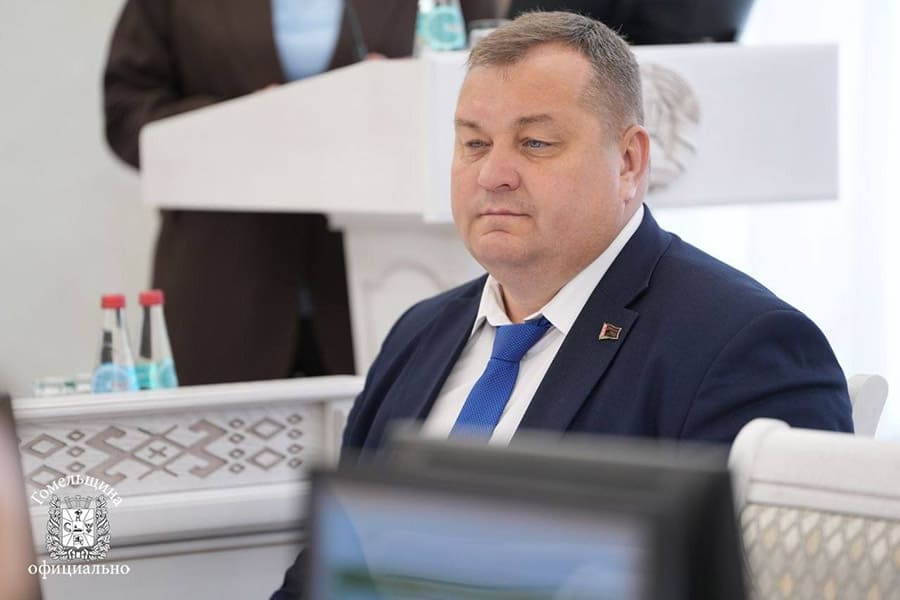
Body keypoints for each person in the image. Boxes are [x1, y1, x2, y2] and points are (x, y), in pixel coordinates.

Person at [272, 11, 853, 597]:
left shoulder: (744, 347)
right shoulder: (418, 333)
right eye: (474, 143)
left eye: (535, 143)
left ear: (628, 162)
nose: (493, 174)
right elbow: (322, 578)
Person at [103, 0, 498, 385]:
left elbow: (494, 95)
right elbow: (127, 111)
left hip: (394, 286)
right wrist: (246, 121)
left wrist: (400, 93)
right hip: (226, 282)